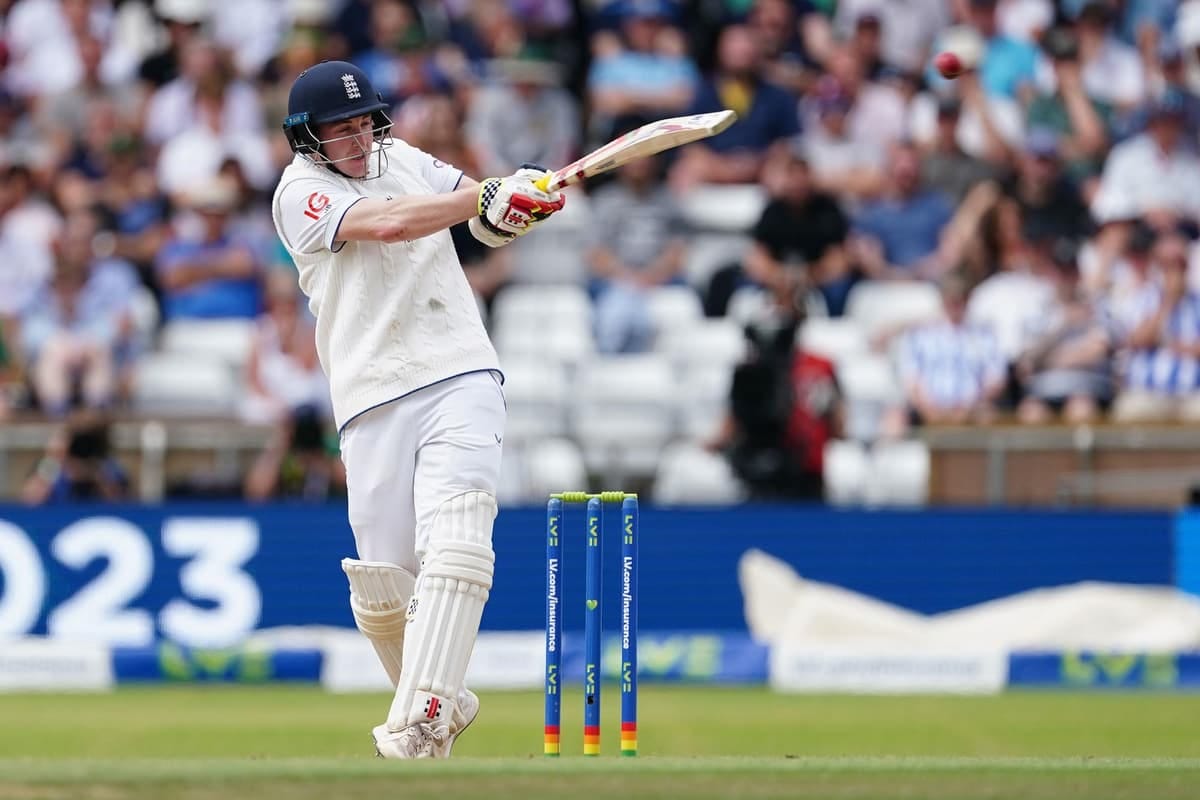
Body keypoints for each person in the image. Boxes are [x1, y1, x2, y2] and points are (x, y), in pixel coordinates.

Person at [270, 61, 565, 759]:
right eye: (336, 128)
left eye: (363, 122)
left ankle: (421, 721)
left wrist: (512, 207)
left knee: (458, 535)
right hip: (369, 393)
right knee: (382, 587)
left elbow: (477, 214)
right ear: (306, 138)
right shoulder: (299, 193)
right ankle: (446, 698)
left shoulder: (401, 157)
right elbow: (396, 223)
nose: (355, 137)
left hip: (458, 367)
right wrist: (490, 194)